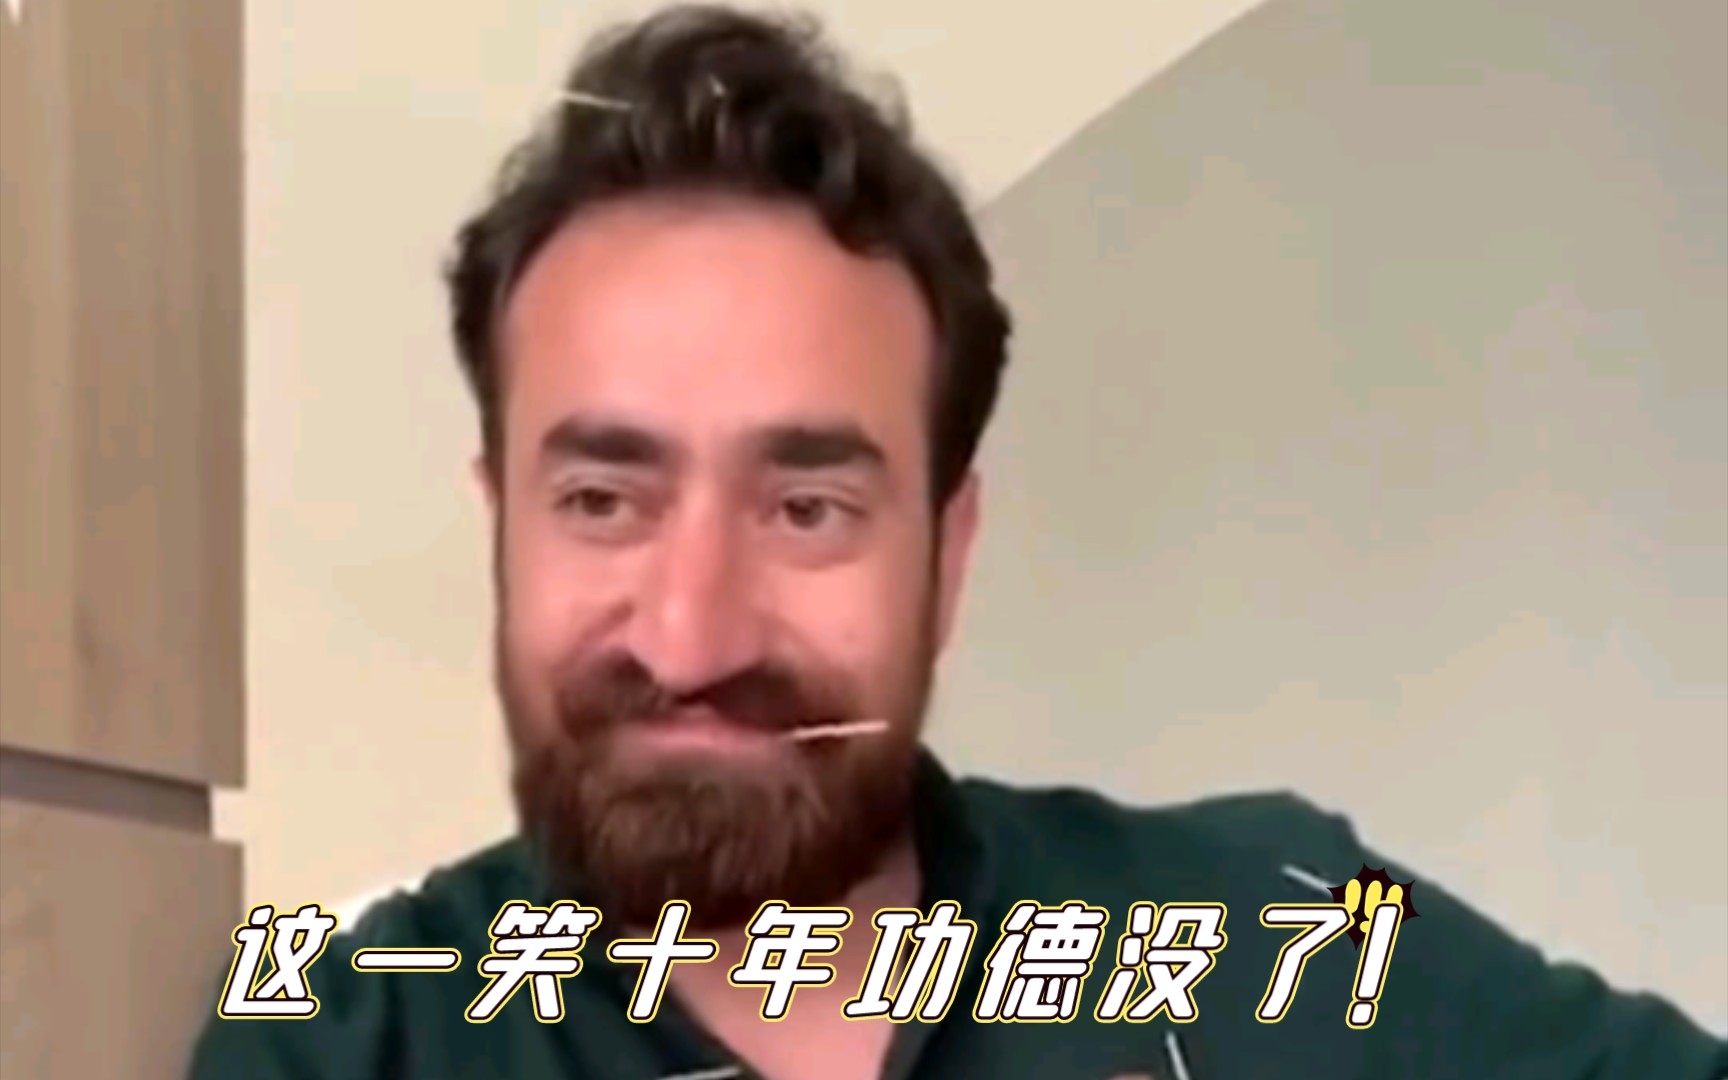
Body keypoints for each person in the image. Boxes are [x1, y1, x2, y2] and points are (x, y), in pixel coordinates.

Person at [188, 5, 1726, 1078]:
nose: (690, 637)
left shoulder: (1281, 933)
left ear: (950, 549)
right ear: (501, 531)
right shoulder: (344, 1041)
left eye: (808, 508)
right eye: (603, 500)